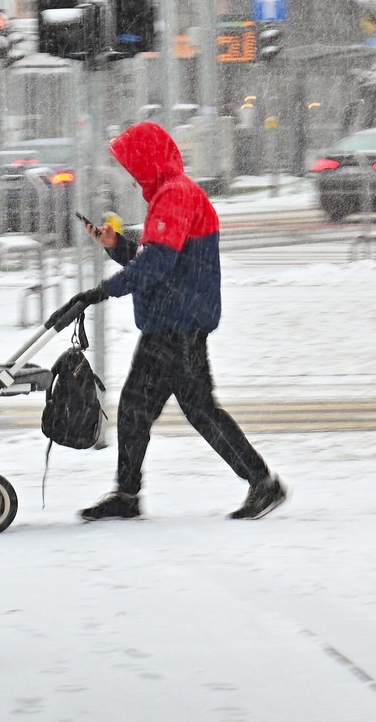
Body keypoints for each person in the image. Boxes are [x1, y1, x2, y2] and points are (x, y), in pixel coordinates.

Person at [47, 121, 288, 522]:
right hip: (168, 323)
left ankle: (262, 482)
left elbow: (157, 264)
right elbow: (158, 262)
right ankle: (127, 494)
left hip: (179, 326)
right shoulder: (168, 195)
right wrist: (118, 247)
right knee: (137, 410)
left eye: (133, 163)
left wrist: (99, 292)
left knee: (196, 411)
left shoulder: (175, 195)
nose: (130, 172)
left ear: (149, 160)